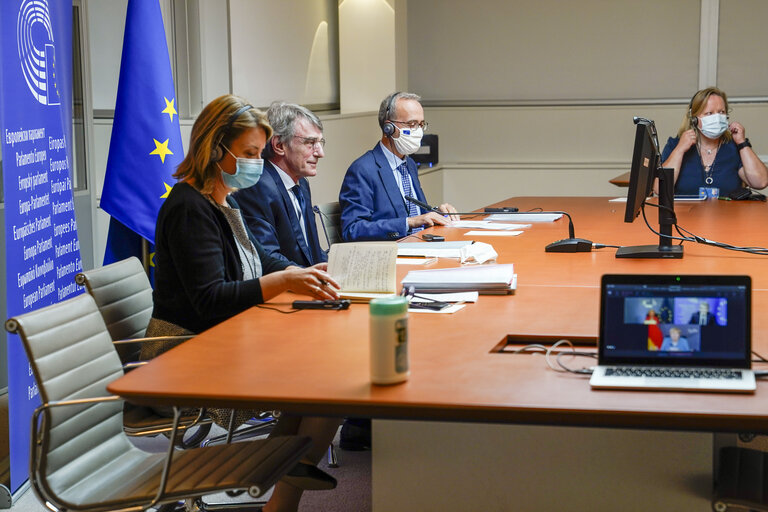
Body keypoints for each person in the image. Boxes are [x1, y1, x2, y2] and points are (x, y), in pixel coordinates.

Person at [142, 94, 341, 512]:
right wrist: (283, 280)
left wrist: (295, 277)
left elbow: (248, 268)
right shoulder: (189, 208)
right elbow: (211, 299)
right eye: (249, 153)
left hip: (220, 339)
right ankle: (281, 490)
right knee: (332, 382)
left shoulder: (222, 199)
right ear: (216, 149)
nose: (257, 162)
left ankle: (272, 474)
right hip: (186, 355)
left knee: (325, 374)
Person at [339, 91, 458, 241]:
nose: (418, 131)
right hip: (392, 255)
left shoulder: (409, 164)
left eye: (421, 125)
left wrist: (438, 214)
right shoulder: (363, 170)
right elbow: (353, 229)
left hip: (421, 247)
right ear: (388, 128)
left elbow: (417, 214)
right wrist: (408, 223)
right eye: (412, 124)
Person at [233, 102, 327, 267]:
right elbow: (268, 259)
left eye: (320, 143)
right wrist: (311, 276)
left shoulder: (302, 184)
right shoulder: (257, 187)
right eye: (310, 143)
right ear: (279, 145)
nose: (320, 153)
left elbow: (311, 251)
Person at [659, 87, 768, 197]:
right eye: (709, 113)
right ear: (694, 119)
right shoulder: (675, 144)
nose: (717, 118)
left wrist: (742, 143)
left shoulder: (734, 147)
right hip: (684, 213)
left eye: (721, 112)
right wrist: (680, 150)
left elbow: (761, 182)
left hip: (728, 213)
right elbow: (659, 189)